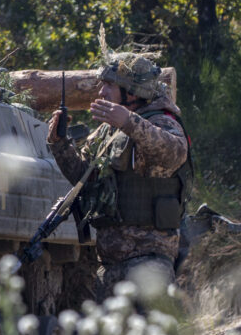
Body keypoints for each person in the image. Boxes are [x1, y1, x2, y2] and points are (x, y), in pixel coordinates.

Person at [46, 53, 191, 300]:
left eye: (110, 85)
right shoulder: (109, 130)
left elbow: (174, 152)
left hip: (149, 261)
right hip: (111, 265)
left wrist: (129, 122)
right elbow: (84, 176)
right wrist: (59, 144)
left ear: (132, 92)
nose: (102, 92)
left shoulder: (162, 120)